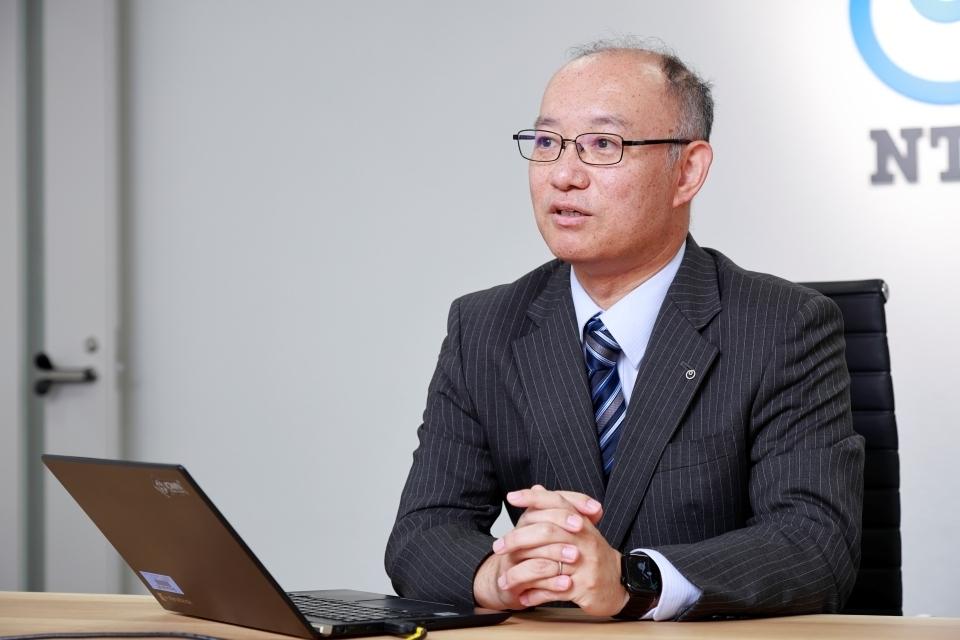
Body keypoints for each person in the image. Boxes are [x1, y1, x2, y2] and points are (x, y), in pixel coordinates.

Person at [384, 38, 864, 621]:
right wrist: (499, 573)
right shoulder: (485, 327)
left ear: (687, 171)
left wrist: (632, 578)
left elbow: (814, 544)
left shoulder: (782, 326)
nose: (563, 174)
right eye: (546, 143)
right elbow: (422, 532)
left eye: (603, 145)